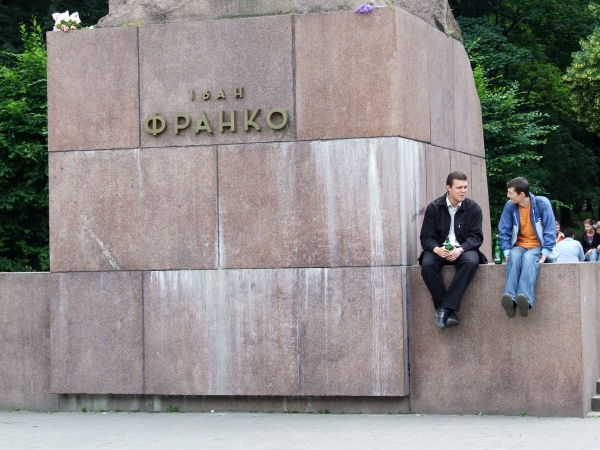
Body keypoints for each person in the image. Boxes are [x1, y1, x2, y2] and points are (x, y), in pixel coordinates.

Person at [419, 171, 487, 331]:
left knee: (471, 261)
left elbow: (476, 237)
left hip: (463, 249)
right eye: (459, 187)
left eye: (465, 187)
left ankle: (443, 310)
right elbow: (426, 237)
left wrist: (461, 249)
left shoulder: (473, 208)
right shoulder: (434, 208)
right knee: (427, 265)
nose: (463, 191)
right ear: (448, 188)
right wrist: (436, 249)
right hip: (439, 249)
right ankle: (447, 309)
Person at [498, 177, 556, 318]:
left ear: (522, 194)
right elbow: (503, 230)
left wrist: (545, 252)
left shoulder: (541, 204)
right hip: (520, 245)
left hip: (538, 246)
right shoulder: (510, 206)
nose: (508, 195)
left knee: (529, 258)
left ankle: (525, 300)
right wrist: (506, 251)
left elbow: (550, 228)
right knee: (515, 256)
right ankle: (510, 300)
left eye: (510, 193)